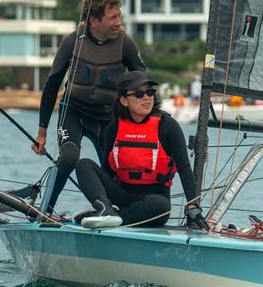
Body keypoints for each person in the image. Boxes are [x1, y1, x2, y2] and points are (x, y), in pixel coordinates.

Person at [32, 0, 146, 214]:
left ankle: (114, 212)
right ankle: (46, 210)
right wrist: (42, 132)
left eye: (119, 16)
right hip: (73, 112)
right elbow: (52, 85)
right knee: (69, 157)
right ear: (94, 20)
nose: (118, 22)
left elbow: (142, 81)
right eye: (112, 17)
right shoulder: (72, 41)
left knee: (115, 169)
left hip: (106, 117)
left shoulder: (125, 44)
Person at [74, 70, 209, 230]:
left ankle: (114, 218)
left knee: (160, 205)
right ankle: (104, 209)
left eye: (150, 92)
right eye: (139, 94)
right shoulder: (114, 127)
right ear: (124, 100)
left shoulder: (168, 127)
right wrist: (102, 195)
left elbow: (185, 168)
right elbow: (107, 171)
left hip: (154, 201)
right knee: (83, 164)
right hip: (122, 194)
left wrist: (193, 205)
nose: (146, 97)